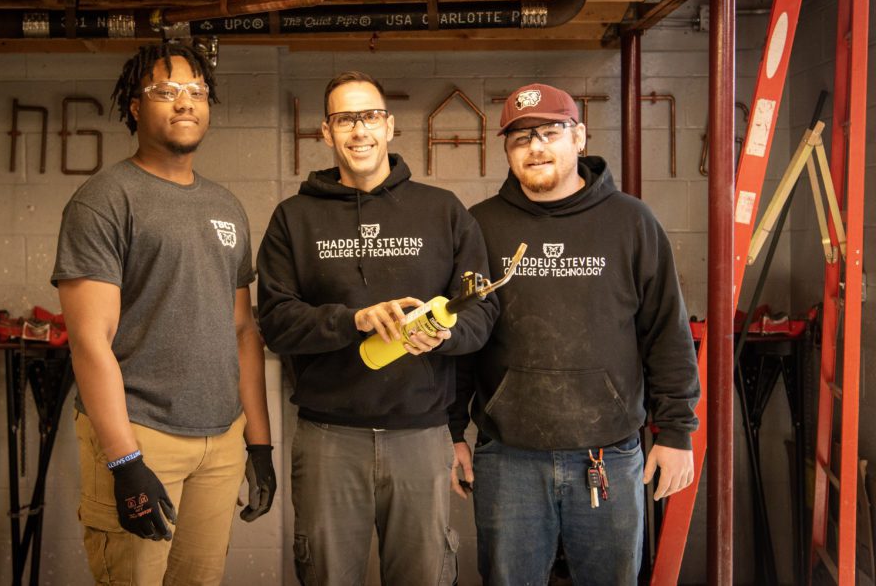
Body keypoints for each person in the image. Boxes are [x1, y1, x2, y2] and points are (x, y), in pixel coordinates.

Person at [450, 83, 701, 585]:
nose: (536, 147)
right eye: (520, 139)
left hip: (608, 454)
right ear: (507, 151)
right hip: (508, 456)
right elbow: (460, 342)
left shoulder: (632, 221)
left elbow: (666, 332)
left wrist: (675, 432)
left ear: (579, 137)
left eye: (549, 132)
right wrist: (452, 430)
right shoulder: (480, 226)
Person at [256, 71, 496, 585]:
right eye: (345, 119)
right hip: (328, 438)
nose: (359, 130)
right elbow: (275, 322)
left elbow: (481, 310)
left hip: (421, 437)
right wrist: (352, 320)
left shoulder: (443, 212)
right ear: (326, 132)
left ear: (389, 126)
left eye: (369, 117)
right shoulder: (293, 219)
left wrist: (448, 334)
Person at [52, 41, 275, 586]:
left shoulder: (225, 206)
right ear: (134, 105)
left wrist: (259, 443)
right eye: (166, 91)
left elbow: (243, 330)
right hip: (142, 434)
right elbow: (90, 342)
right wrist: (125, 462)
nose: (185, 103)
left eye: (197, 92)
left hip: (220, 441)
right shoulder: (104, 200)